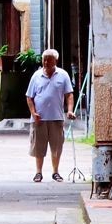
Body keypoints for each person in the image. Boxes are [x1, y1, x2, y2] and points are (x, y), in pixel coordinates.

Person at [25, 48, 75, 182]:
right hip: (39, 118)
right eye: (44, 60)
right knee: (38, 148)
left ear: (55, 61)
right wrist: (33, 112)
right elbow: (29, 97)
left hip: (56, 117)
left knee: (57, 147)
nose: (46, 62)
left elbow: (69, 94)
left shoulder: (63, 75)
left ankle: (55, 172)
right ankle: (38, 173)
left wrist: (69, 110)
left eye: (49, 60)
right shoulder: (36, 76)